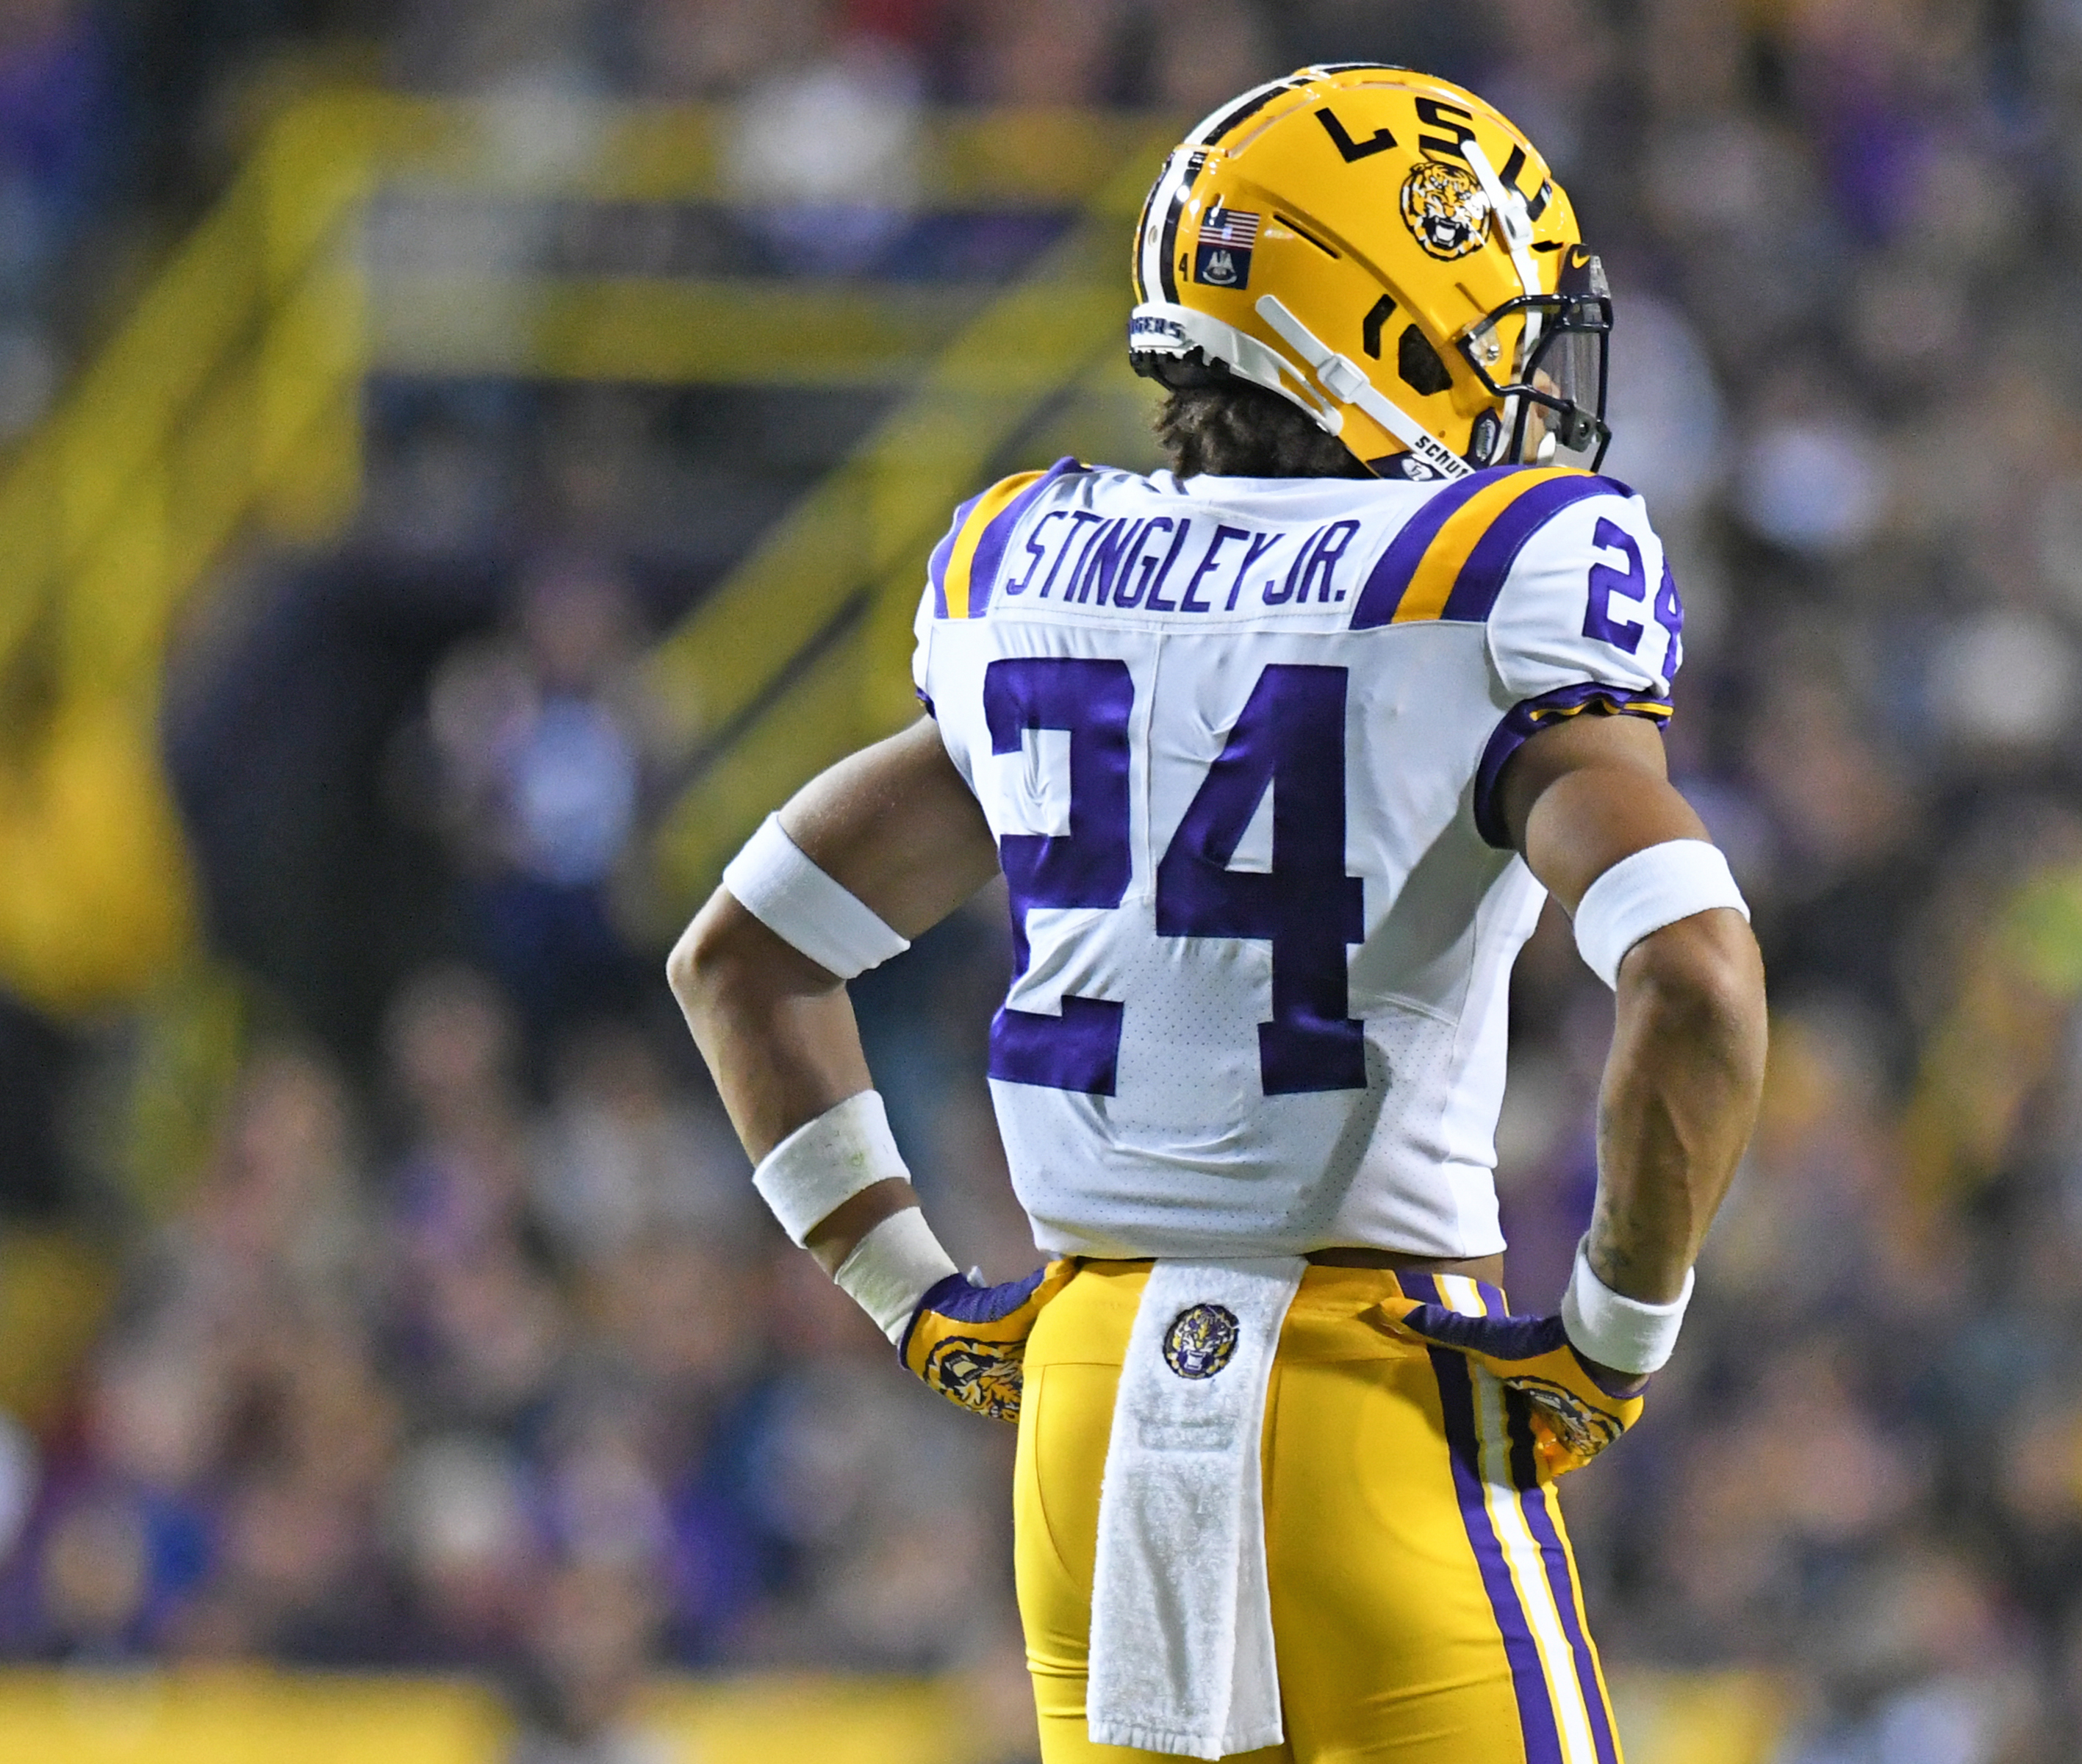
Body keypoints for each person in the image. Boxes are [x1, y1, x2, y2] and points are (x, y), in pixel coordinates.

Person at [666, 63, 1767, 1764]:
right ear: (1395, 328)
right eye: (1504, 332)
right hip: (1376, 1392)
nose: (1532, 389)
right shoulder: (1482, 573)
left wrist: (909, 1294)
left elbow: (741, 957)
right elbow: (1693, 976)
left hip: (1086, 1414)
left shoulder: (1033, 565)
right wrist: (1617, 1338)